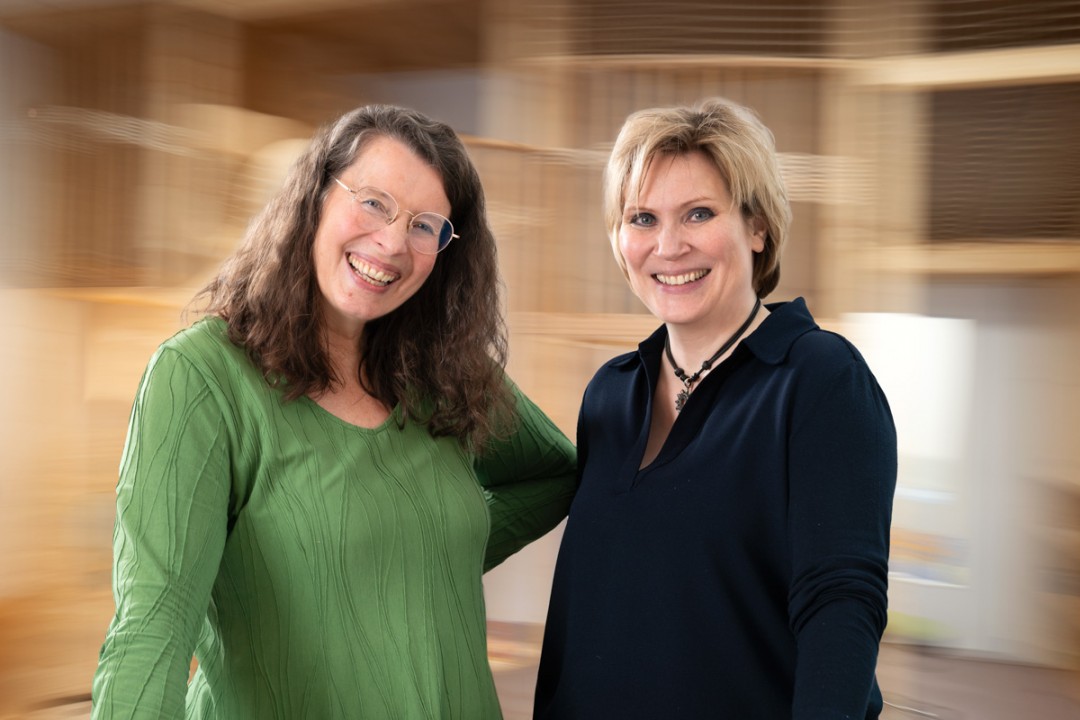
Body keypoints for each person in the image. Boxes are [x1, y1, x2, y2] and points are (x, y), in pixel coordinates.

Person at [91, 104, 576, 719]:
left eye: (425, 226)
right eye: (373, 202)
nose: (393, 242)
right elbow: (151, 629)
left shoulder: (445, 371)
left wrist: (412, 558)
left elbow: (553, 474)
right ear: (315, 196)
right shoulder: (201, 377)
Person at [534, 97, 897, 719]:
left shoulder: (819, 379)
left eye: (698, 213)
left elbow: (841, 601)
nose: (668, 245)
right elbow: (584, 607)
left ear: (758, 228)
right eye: (642, 218)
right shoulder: (609, 394)